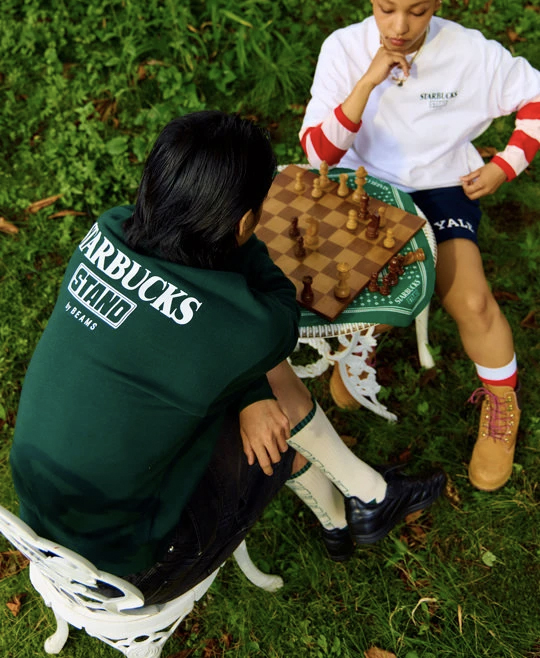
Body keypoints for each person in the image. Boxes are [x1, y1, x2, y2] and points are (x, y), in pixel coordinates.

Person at [10, 111, 445, 603]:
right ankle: (359, 505)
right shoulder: (247, 325)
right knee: (276, 423)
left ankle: (358, 506)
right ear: (242, 223)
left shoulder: (107, 228)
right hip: (131, 566)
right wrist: (238, 244)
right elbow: (274, 305)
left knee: (260, 389)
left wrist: (248, 391)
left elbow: (195, 339)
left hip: (41, 516)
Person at [299, 0, 540, 493]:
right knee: (372, 298)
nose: (399, 27)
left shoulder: (470, 52)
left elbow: (536, 97)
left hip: (441, 187)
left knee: (471, 300)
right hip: (368, 188)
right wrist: (368, 80)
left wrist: (505, 165)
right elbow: (317, 154)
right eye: (386, 8)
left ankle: (502, 404)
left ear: (440, 1)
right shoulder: (344, 48)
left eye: (418, 10)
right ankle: (361, 346)